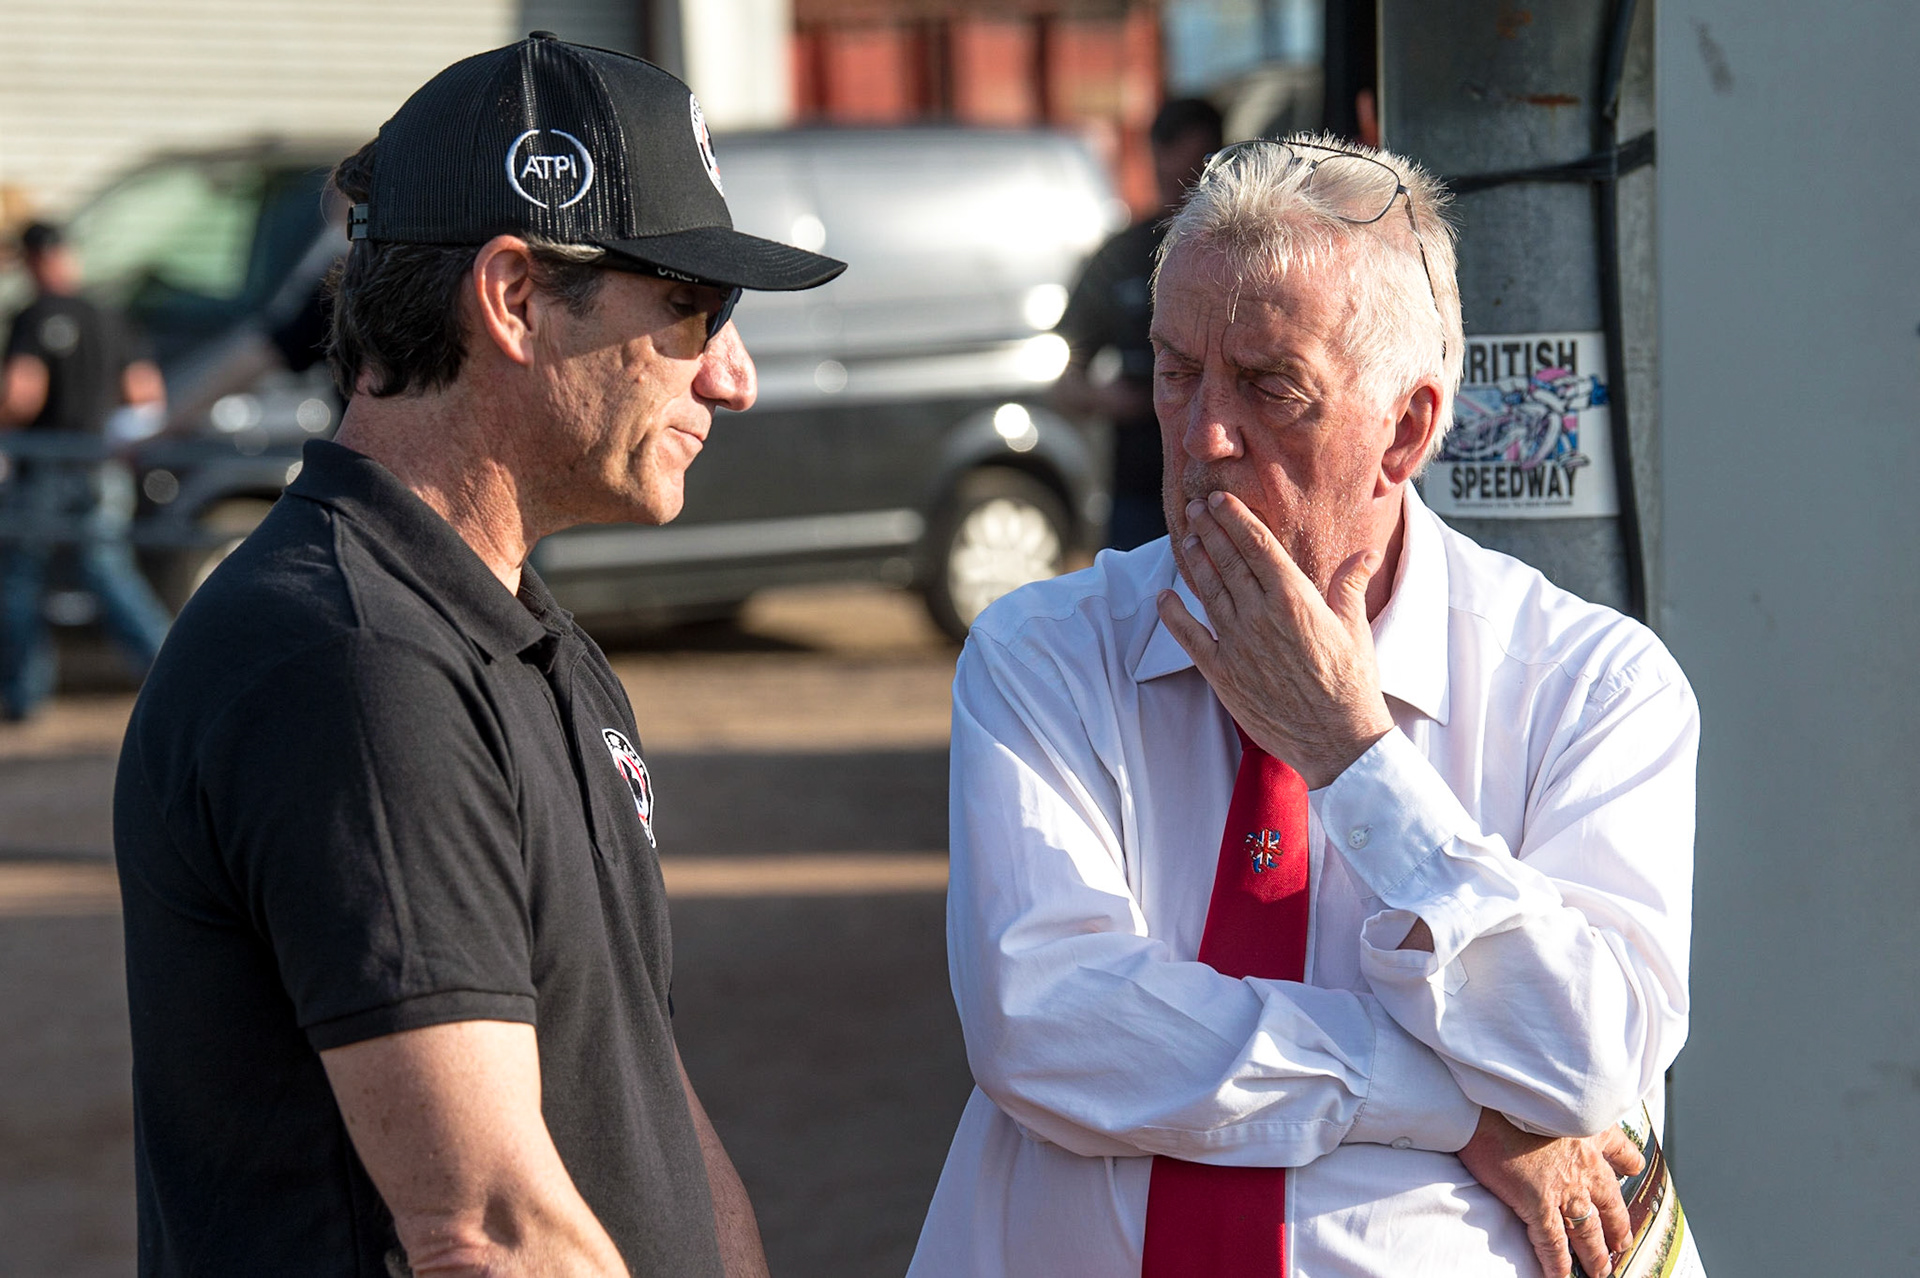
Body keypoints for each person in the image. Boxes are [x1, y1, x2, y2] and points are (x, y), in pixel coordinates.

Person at [112, 34, 842, 1277]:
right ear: (511, 298)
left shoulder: (516, 640)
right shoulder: (352, 665)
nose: (734, 378)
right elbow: (487, 1226)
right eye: (689, 311)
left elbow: (633, 1081)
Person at [910, 135, 1702, 1278]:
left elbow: (1585, 1059)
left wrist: (1353, 755)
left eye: (1271, 386)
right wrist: (1458, 1107)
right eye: (1178, 369)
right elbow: (1045, 1024)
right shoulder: (1044, 654)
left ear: (1408, 429)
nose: (1202, 438)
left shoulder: (1593, 687)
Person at [0, 220, 171, 720]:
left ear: (31, 260)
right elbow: (145, 394)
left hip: (44, 465)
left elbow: (20, 396)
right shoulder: (109, 314)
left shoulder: (34, 316)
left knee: (19, 578)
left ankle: (22, 697)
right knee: (109, 572)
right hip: (100, 463)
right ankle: (164, 668)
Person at [1054, 98, 1223, 551]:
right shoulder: (1121, 257)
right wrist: (1108, 399)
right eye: (1168, 176)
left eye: (1193, 178)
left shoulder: (1243, 260)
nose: (1179, 194)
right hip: (1139, 492)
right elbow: (1062, 374)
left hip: (1223, 486)